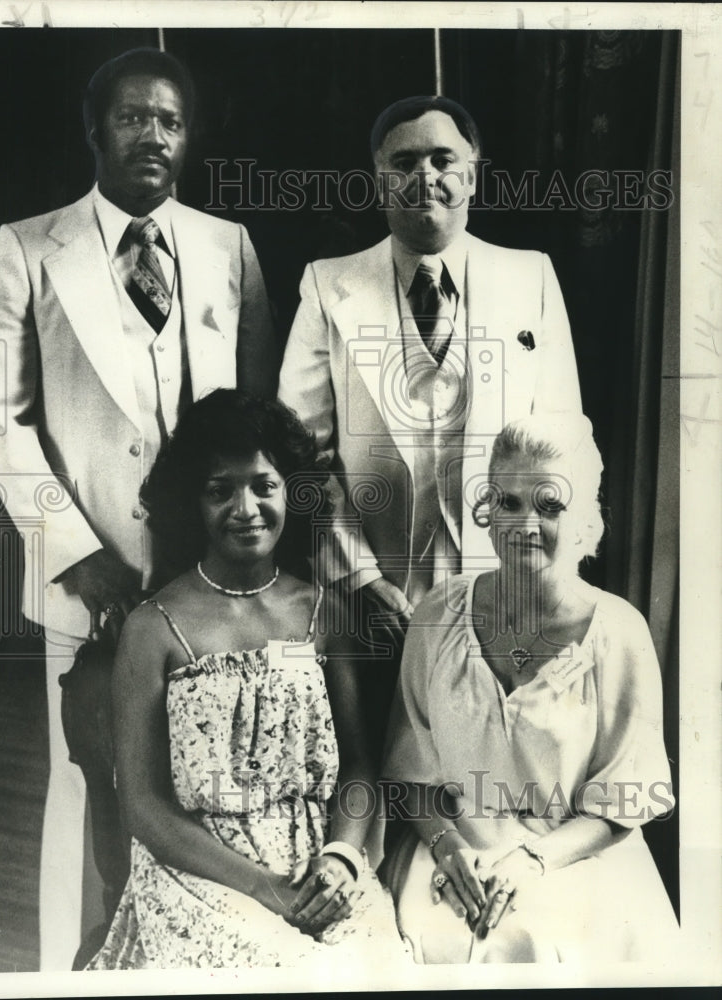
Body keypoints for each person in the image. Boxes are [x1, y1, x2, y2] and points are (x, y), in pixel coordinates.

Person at [0, 48, 276, 969]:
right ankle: (74, 966)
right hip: (91, 574)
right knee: (91, 776)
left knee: (213, 775)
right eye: (135, 117)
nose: (154, 135)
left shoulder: (227, 247)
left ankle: (199, 955)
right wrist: (73, 549)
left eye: (171, 121)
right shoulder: (29, 246)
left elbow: (256, 414)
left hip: (212, 577)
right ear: (95, 129)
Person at [277, 95, 582, 756]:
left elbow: (563, 446)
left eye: (443, 159)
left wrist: (543, 580)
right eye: (403, 161)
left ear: (473, 173)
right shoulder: (327, 286)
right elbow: (300, 456)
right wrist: (358, 580)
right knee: (381, 781)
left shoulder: (528, 276)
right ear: (378, 177)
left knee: (491, 779)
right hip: (372, 599)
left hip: (504, 592)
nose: (424, 176)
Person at [86, 389, 408, 970]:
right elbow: (143, 806)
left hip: (317, 869)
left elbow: (361, 765)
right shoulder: (153, 629)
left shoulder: (323, 614)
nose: (246, 508)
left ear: (292, 493)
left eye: (264, 485)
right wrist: (264, 888)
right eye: (220, 490)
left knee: (371, 969)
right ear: (192, 503)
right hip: (200, 874)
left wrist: (341, 858)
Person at [381, 414, 679, 963]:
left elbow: (620, 804)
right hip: (452, 846)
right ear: (487, 511)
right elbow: (408, 776)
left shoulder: (618, 633)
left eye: (550, 506)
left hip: (573, 856)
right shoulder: (438, 615)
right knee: (429, 936)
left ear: (587, 521)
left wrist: (532, 862)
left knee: (535, 942)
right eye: (509, 502)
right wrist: (447, 848)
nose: (524, 525)